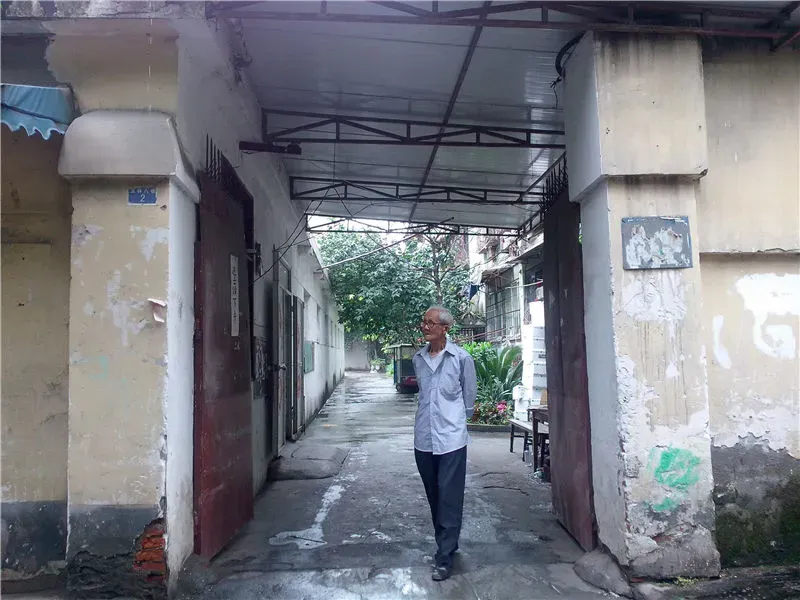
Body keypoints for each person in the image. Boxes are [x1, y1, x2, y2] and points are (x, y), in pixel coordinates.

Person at [412, 306, 477, 581]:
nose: (425, 326)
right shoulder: (418, 359)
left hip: (451, 439)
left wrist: (456, 421)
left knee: (449, 496)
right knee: (434, 495)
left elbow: (469, 397)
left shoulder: (461, 358)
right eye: (424, 322)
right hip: (424, 438)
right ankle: (448, 540)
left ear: (445, 329)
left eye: (430, 323)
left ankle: (444, 556)